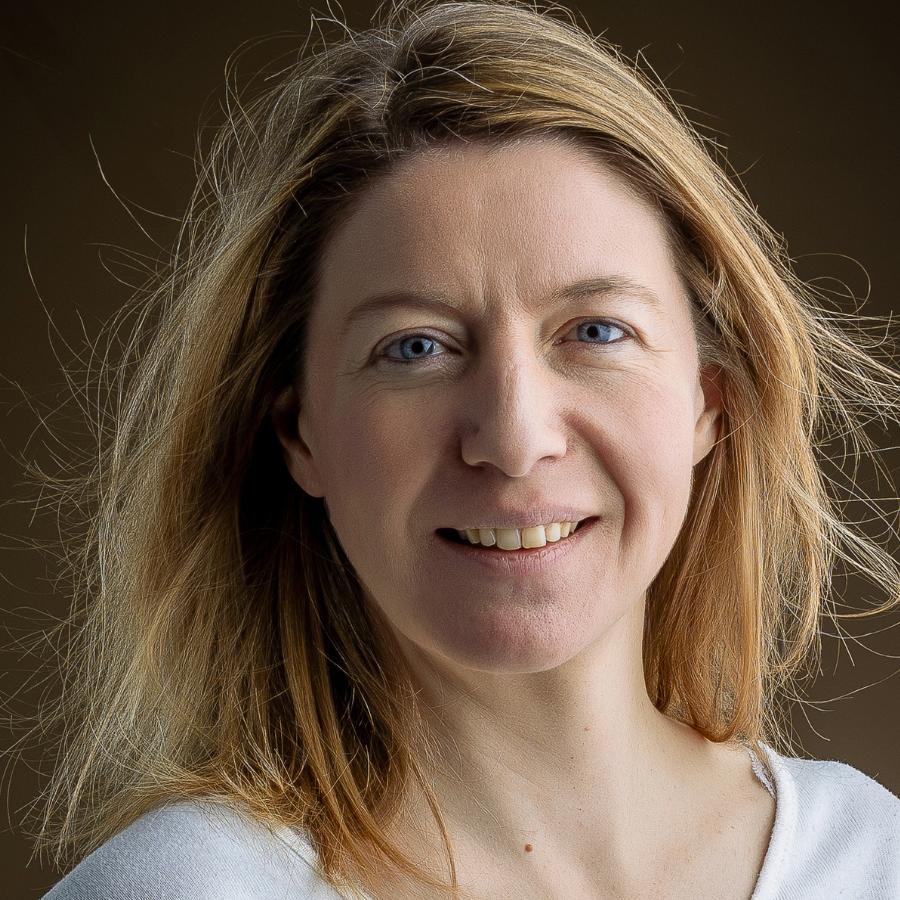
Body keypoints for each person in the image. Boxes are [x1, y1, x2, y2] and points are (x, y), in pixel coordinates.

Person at [25, 0, 899, 898]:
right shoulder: (186, 889)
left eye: (595, 331)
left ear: (707, 405)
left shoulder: (874, 858)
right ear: (299, 434)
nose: (516, 440)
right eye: (416, 347)